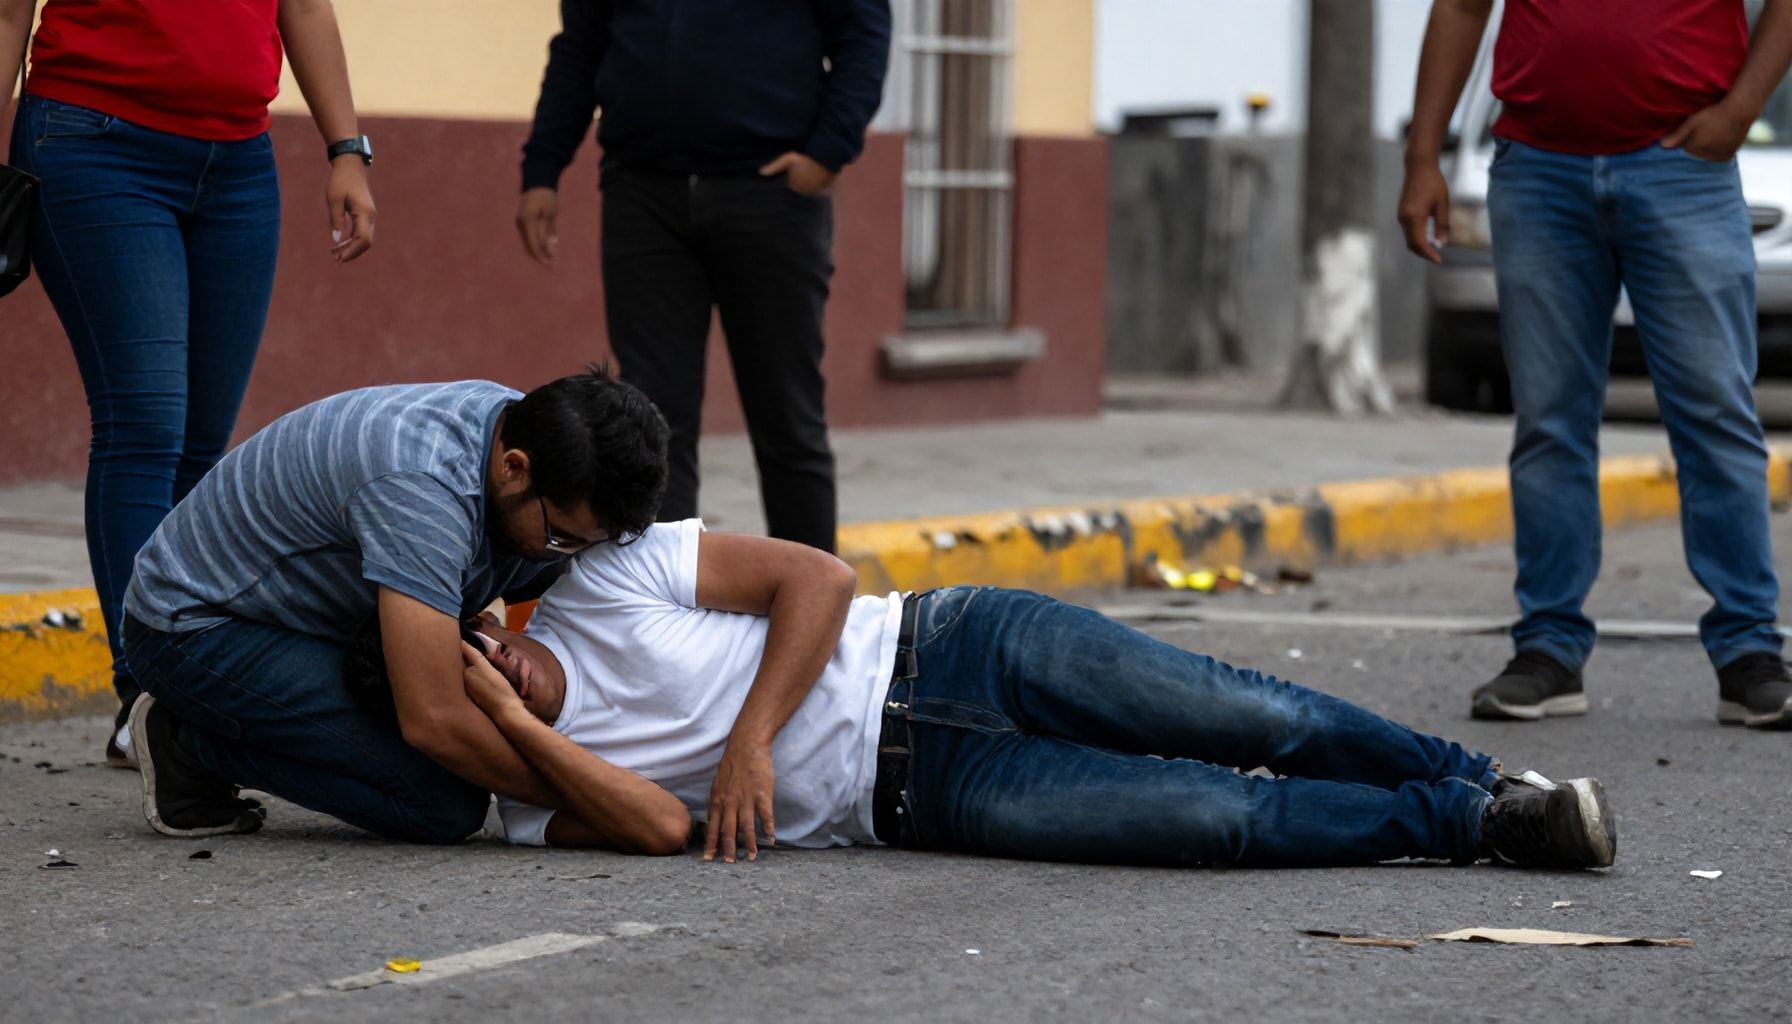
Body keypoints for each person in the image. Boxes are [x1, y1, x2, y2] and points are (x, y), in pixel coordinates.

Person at [341, 521, 1618, 871]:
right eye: (462, 689)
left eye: (472, 648)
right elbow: (662, 827)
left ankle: (1477, 778)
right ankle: (1469, 830)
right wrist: (514, 734)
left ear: (479, 620)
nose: (486, 670)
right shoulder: (527, 805)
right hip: (930, 795)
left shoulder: (601, 583)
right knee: (1215, 821)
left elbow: (816, 580)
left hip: (955, 646)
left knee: (1250, 716)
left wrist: (749, 739)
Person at [0, 0, 380, 766]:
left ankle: (184, 685)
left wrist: (347, 149)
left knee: (202, 444)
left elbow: (302, 4)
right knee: (143, 427)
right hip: (95, 140)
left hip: (238, 163)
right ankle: (144, 698)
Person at [1398, 0, 1792, 727]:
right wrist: (1424, 155)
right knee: (1550, 421)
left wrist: (1742, 109)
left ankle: (1748, 653)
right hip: (1538, 169)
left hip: (1683, 168)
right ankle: (1548, 649)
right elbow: (1459, 6)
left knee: (1715, 413)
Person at [121, 368, 670, 843]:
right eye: (562, 538)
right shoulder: (422, 492)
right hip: (196, 628)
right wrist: (600, 797)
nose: (568, 556)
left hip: (320, 611)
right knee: (442, 804)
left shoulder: (540, 437)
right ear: (515, 469)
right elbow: (433, 722)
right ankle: (186, 744)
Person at [514, 0, 892, 555]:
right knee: (650, 418)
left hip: (770, 196)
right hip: (643, 197)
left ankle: (817, 612)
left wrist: (828, 152)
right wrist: (542, 169)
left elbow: (863, 35)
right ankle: (668, 611)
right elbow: (579, 49)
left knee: (788, 417)